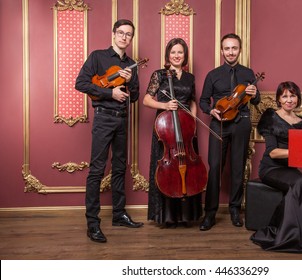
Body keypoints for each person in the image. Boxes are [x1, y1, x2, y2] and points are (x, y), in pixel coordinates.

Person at [75, 19, 143, 243]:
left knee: (119, 167)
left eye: (129, 34)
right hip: (103, 117)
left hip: (123, 120)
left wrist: (131, 83)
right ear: (114, 34)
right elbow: (81, 83)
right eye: (121, 33)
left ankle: (119, 214)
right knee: (96, 170)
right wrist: (110, 93)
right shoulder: (97, 57)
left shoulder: (132, 64)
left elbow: (134, 98)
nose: (125, 37)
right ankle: (92, 223)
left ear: (131, 38)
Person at [250, 81, 302, 253]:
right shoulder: (270, 117)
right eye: (284, 96)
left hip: (290, 170)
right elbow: (273, 153)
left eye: (292, 96)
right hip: (270, 169)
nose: (289, 100)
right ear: (278, 99)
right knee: (300, 183)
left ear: (298, 98)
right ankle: (294, 235)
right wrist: (298, 151)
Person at [199, 33, 260, 231]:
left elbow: (256, 102)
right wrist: (211, 110)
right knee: (215, 166)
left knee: (237, 167)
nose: (231, 52)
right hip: (220, 124)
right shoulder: (213, 74)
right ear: (222, 51)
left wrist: (255, 93)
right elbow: (202, 101)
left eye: (234, 48)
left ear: (239, 50)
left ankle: (235, 209)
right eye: (227, 48)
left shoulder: (248, 73)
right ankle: (210, 213)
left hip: (241, 122)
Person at [143, 38, 203, 227]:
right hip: (166, 129)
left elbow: (192, 101)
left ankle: (186, 216)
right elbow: (146, 99)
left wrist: (192, 121)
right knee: (167, 170)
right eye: (173, 52)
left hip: (185, 130)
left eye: (180, 52)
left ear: (185, 56)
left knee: (188, 168)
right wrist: (165, 105)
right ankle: (166, 216)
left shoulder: (190, 77)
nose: (177, 56)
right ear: (168, 55)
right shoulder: (159, 75)